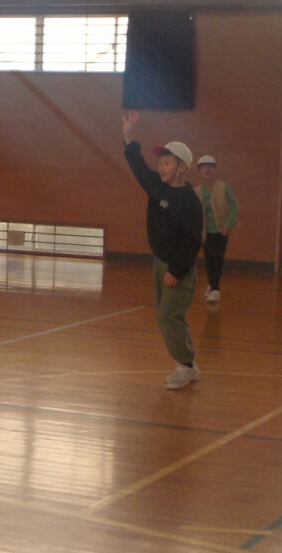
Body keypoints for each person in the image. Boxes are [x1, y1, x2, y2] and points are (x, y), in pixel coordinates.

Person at [121, 110, 203, 390]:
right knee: (169, 316)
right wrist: (129, 135)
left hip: (178, 268)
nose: (162, 167)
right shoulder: (157, 187)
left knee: (168, 316)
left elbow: (192, 241)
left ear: (183, 167)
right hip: (159, 263)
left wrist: (176, 271)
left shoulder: (190, 201)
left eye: (168, 162)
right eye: (161, 162)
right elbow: (138, 165)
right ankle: (189, 364)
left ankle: (185, 366)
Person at [194, 155, 240, 304]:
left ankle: (215, 289)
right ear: (199, 172)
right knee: (209, 260)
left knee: (217, 259)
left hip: (221, 231)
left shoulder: (224, 187)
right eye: (203, 168)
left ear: (215, 170)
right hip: (205, 232)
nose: (207, 170)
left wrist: (228, 225)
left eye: (210, 167)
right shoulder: (196, 191)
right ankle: (212, 284)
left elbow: (235, 206)